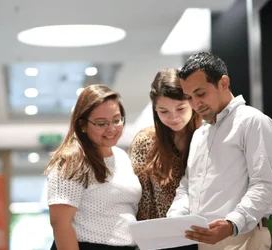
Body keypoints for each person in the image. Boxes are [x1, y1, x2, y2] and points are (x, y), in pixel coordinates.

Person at [167, 52, 272, 250]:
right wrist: (174, 220)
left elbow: (263, 185)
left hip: (244, 237)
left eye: (200, 94)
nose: (195, 104)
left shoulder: (252, 122)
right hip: (202, 241)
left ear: (224, 83)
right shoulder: (200, 134)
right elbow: (187, 186)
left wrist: (231, 225)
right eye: (189, 97)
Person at [44, 84, 142, 250]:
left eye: (116, 120)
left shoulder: (121, 156)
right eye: (101, 123)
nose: (111, 129)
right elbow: (60, 223)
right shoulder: (71, 160)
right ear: (82, 124)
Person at [129, 68, 201, 250]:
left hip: (205, 237)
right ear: (155, 110)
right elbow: (143, 201)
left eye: (180, 108)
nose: (173, 117)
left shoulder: (208, 136)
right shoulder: (146, 142)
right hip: (162, 241)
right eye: (164, 111)